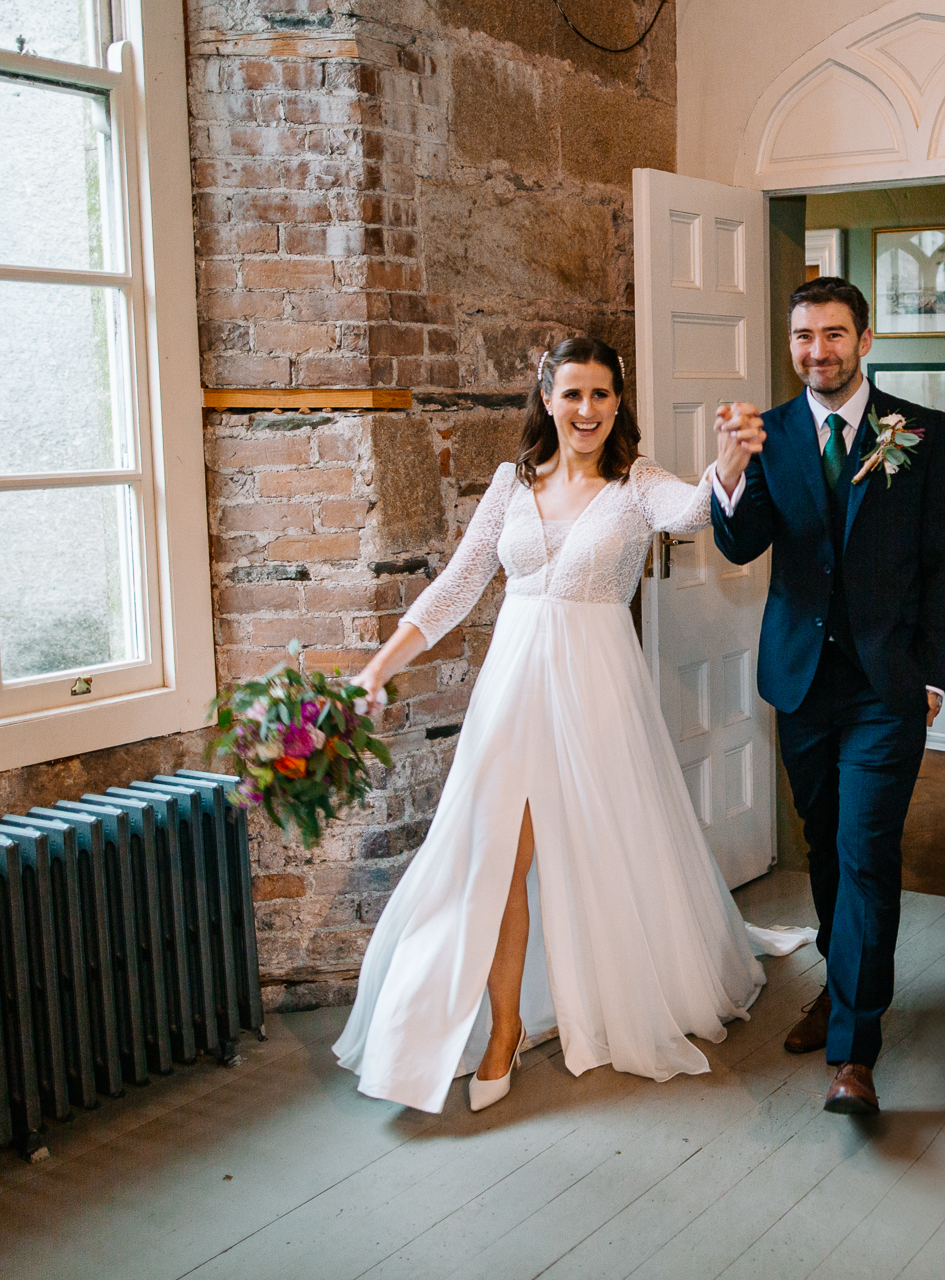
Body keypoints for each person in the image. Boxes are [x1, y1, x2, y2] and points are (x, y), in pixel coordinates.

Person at [332, 334, 780, 1114]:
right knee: (494, 856)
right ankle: (501, 1031)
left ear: (618, 402)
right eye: (572, 394)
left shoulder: (636, 483)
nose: (586, 410)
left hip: (595, 689)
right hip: (512, 690)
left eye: (601, 394)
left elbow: (693, 509)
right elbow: (457, 584)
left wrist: (731, 463)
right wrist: (379, 665)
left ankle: (608, 991)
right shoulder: (511, 484)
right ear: (546, 397)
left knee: (601, 847)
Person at [709, 277, 945, 1114]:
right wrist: (729, 471)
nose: (816, 351)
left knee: (866, 854)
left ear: (865, 339)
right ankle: (838, 986)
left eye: (832, 334)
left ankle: (854, 1051)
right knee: (824, 849)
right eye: (801, 337)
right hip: (801, 685)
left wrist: (934, 676)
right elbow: (743, 543)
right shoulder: (774, 433)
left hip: (886, 687)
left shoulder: (921, 435)